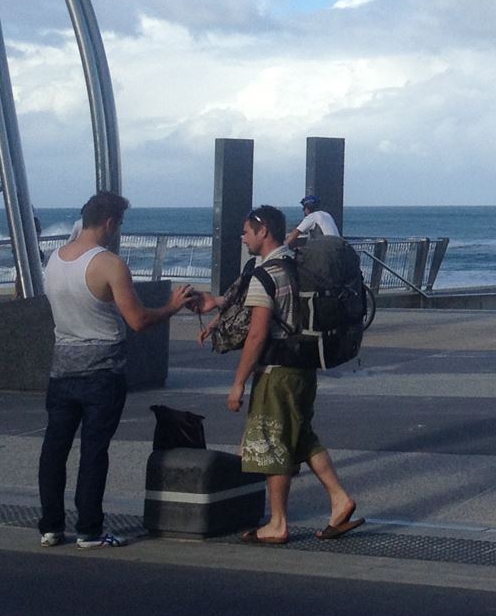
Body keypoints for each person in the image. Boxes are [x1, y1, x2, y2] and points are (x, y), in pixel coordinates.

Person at [37, 191, 196, 549]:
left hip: (62, 368)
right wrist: (171, 307)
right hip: (102, 371)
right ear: (110, 222)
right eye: (119, 223)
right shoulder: (108, 264)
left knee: (54, 447)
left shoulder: (55, 259)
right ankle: (90, 529)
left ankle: (51, 526)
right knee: (94, 451)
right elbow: (138, 320)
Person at [193, 205, 360, 545]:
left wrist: (238, 383)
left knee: (273, 443)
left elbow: (257, 334)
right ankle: (340, 499)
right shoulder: (292, 263)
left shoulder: (267, 274)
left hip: (278, 370)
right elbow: (243, 299)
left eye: (246, 231)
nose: (243, 237)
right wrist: (217, 312)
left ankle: (278, 523)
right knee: (301, 436)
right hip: (303, 366)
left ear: (263, 230)